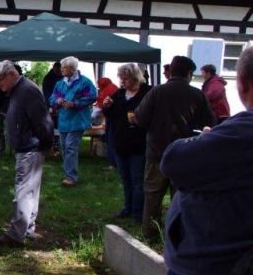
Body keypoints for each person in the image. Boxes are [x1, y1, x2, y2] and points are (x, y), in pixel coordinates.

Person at [138, 46, 253, 275]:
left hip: (207, 273)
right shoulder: (198, 97)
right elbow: (213, 123)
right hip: (229, 265)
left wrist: (202, 142)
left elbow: (172, 155)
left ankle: (147, 228)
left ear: (243, 83)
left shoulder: (242, 132)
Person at [134, 55, 214, 241]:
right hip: (185, 155)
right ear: (188, 73)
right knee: (181, 198)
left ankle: (149, 234)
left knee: (152, 196)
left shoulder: (156, 92)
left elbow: (141, 118)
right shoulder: (197, 94)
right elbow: (209, 123)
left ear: (171, 71)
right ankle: (177, 237)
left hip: (157, 152)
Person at [0, 61, 54, 247]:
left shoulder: (27, 90)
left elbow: (43, 121)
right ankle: (27, 229)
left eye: (0, 80)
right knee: (29, 190)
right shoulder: (17, 90)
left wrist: (44, 143)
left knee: (23, 191)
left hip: (30, 148)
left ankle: (16, 234)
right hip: (28, 147)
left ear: (12, 75)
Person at [102, 64, 151, 221]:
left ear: (135, 77)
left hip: (138, 143)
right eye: (121, 78)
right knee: (125, 179)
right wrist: (107, 106)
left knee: (137, 180)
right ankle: (128, 208)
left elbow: (153, 116)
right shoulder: (119, 93)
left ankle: (138, 213)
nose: (122, 82)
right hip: (120, 142)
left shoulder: (147, 93)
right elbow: (111, 115)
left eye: (126, 78)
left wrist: (139, 119)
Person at [48, 56, 96, 186]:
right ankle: (68, 173)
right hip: (63, 120)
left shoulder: (85, 82)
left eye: (64, 67)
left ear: (72, 68)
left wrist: (75, 103)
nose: (61, 69)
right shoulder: (60, 83)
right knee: (64, 147)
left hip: (78, 120)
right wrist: (58, 101)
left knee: (70, 147)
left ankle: (71, 177)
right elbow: (52, 98)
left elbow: (92, 96)